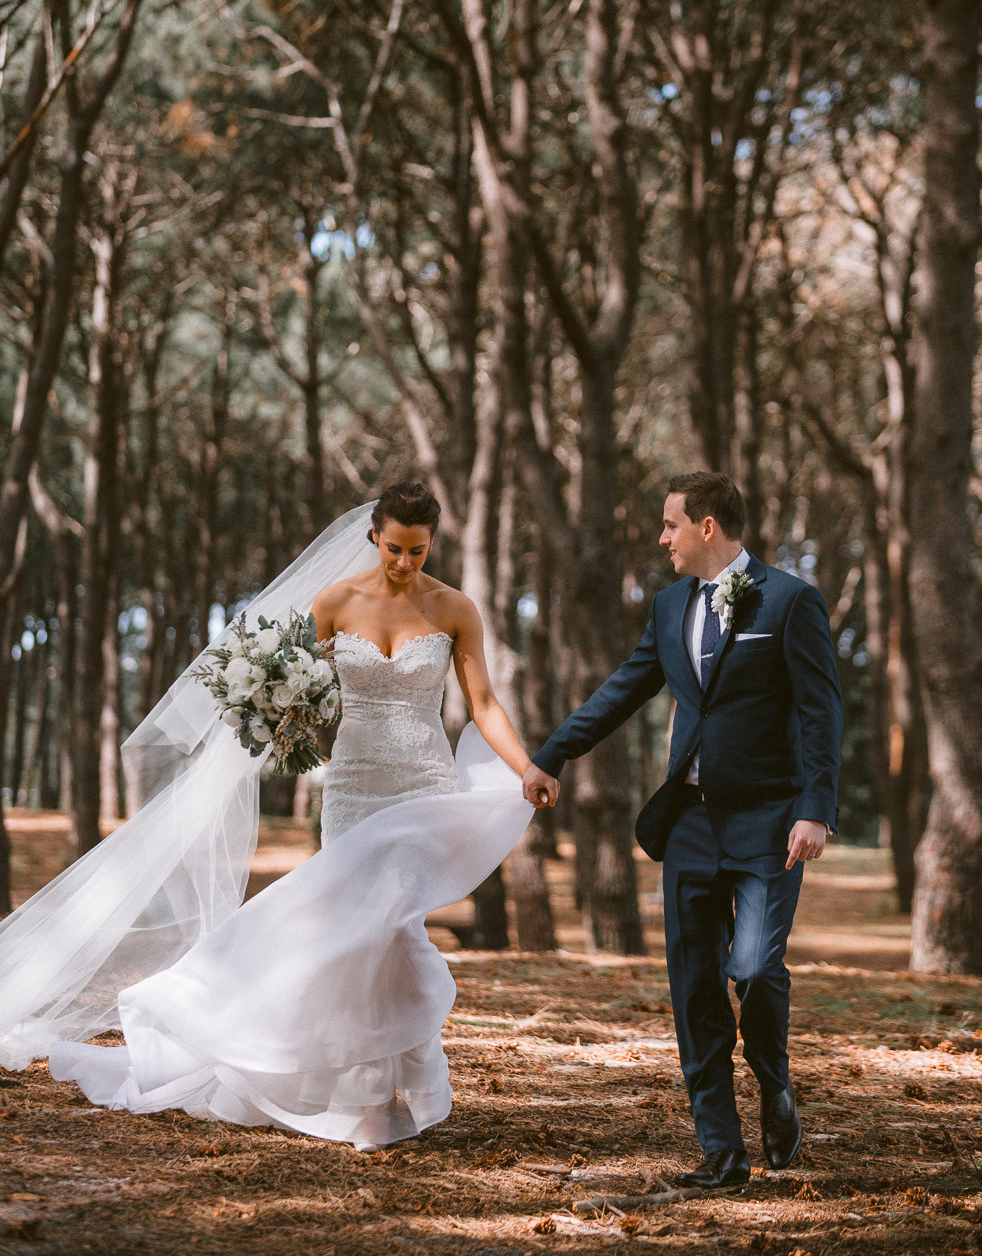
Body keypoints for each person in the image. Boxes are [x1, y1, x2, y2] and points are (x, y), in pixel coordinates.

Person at [0, 483, 549, 1150]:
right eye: (395, 548)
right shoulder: (335, 602)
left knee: (394, 933)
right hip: (351, 788)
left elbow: (484, 703)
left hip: (421, 788)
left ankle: (384, 1092)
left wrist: (525, 766)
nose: (404, 562)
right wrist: (287, 723)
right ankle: (367, 1100)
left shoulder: (454, 608)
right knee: (358, 937)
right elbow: (300, 694)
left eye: (419, 550)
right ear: (375, 535)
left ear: (433, 543)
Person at [523, 472, 841, 1189]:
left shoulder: (790, 601)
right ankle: (722, 1152)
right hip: (690, 823)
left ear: (707, 527)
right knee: (696, 986)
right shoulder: (669, 608)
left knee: (754, 969)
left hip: (769, 821)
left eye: (670, 525)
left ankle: (775, 1082)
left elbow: (822, 712)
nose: (661, 538)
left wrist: (816, 808)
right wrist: (555, 752)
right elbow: (627, 686)